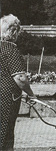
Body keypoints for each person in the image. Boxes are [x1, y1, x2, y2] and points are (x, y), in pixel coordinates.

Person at [1, 14, 36, 150]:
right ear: (13, 31)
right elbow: (20, 78)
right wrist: (31, 94)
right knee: (6, 131)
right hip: (6, 98)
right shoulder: (11, 49)